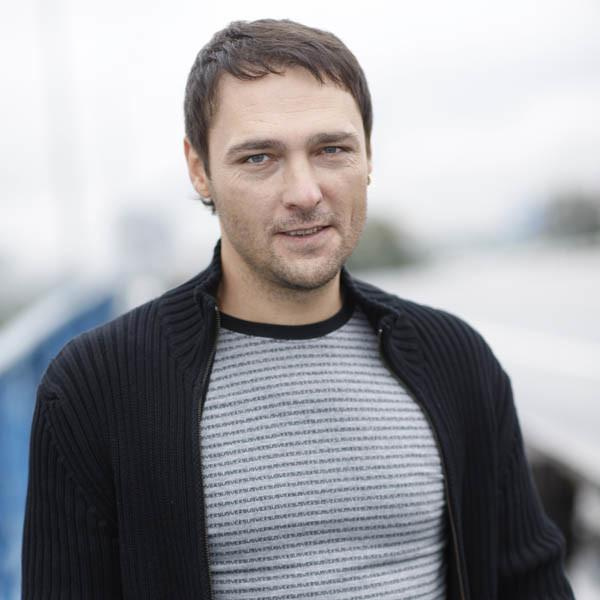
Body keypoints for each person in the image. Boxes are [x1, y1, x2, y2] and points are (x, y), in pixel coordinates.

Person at [22, 18, 574, 600]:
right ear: (199, 169)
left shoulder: (455, 359)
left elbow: (529, 582)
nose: (305, 193)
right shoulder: (98, 384)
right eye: (259, 157)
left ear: (368, 155)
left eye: (331, 149)